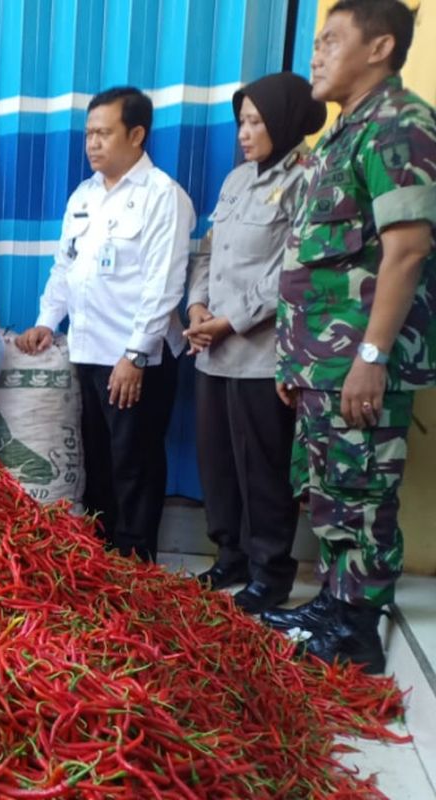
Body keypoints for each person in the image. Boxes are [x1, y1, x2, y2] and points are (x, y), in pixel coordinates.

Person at [264, 0, 436, 674]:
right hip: (321, 362)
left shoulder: (399, 124)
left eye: (331, 39)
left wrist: (370, 356)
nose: (316, 53)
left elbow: (407, 251)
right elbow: (315, 261)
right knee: (331, 487)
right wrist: (295, 358)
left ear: (380, 47)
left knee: (362, 492)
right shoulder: (342, 136)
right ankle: (333, 605)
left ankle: (357, 631)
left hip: (359, 362)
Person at [16, 86, 195, 562]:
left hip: (137, 360)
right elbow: (65, 267)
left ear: (136, 134)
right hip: (88, 352)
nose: (92, 143)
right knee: (95, 462)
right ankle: (102, 560)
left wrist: (135, 355)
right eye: (89, 133)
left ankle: (137, 565)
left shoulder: (163, 197)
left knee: (133, 465)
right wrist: (46, 321)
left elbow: (165, 284)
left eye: (104, 133)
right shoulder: (84, 195)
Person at [186, 73, 327, 614]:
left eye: (255, 121)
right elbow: (207, 252)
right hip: (213, 352)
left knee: (263, 469)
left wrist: (230, 319)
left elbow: (297, 269)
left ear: (284, 120)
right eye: (240, 121)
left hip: (262, 353)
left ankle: (271, 570)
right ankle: (232, 554)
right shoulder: (235, 180)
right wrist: (197, 308)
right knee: (218, 462)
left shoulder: (308, 180)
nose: (243, 133)